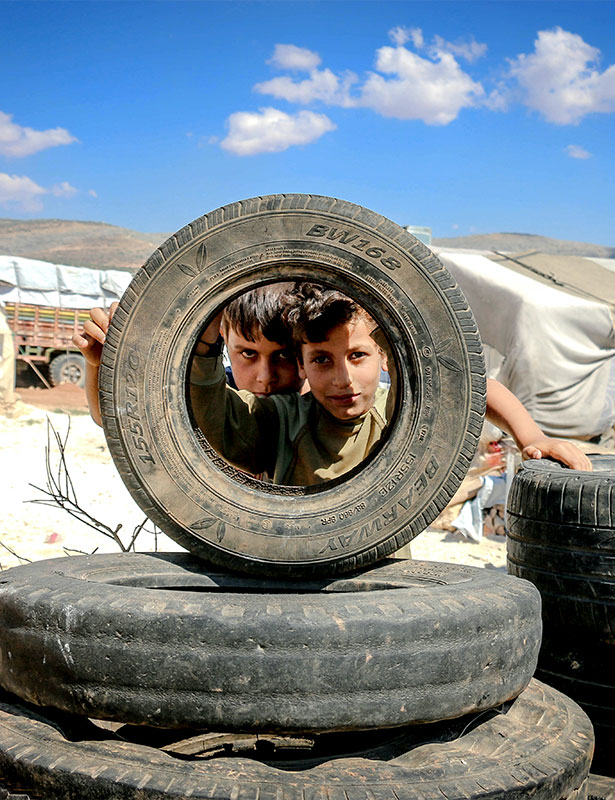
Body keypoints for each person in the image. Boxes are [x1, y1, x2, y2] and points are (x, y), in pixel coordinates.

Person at [190, 283, 592, 486]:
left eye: (357, 356)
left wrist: (532, 437)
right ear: (303, 363)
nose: (343, 379)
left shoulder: (397, 409)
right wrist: (205, 321)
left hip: (385, 589)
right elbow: (210, 403)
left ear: (383, 355)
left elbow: (467, 384)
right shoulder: (283, 416)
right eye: (322, 360)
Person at [72, 283, 304, 426]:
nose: (265, 377)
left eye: (283, 356)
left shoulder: (322, 404)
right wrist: (103, 365)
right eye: (248, 354)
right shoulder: (210, 394)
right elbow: (112, 418)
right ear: (222, 335)